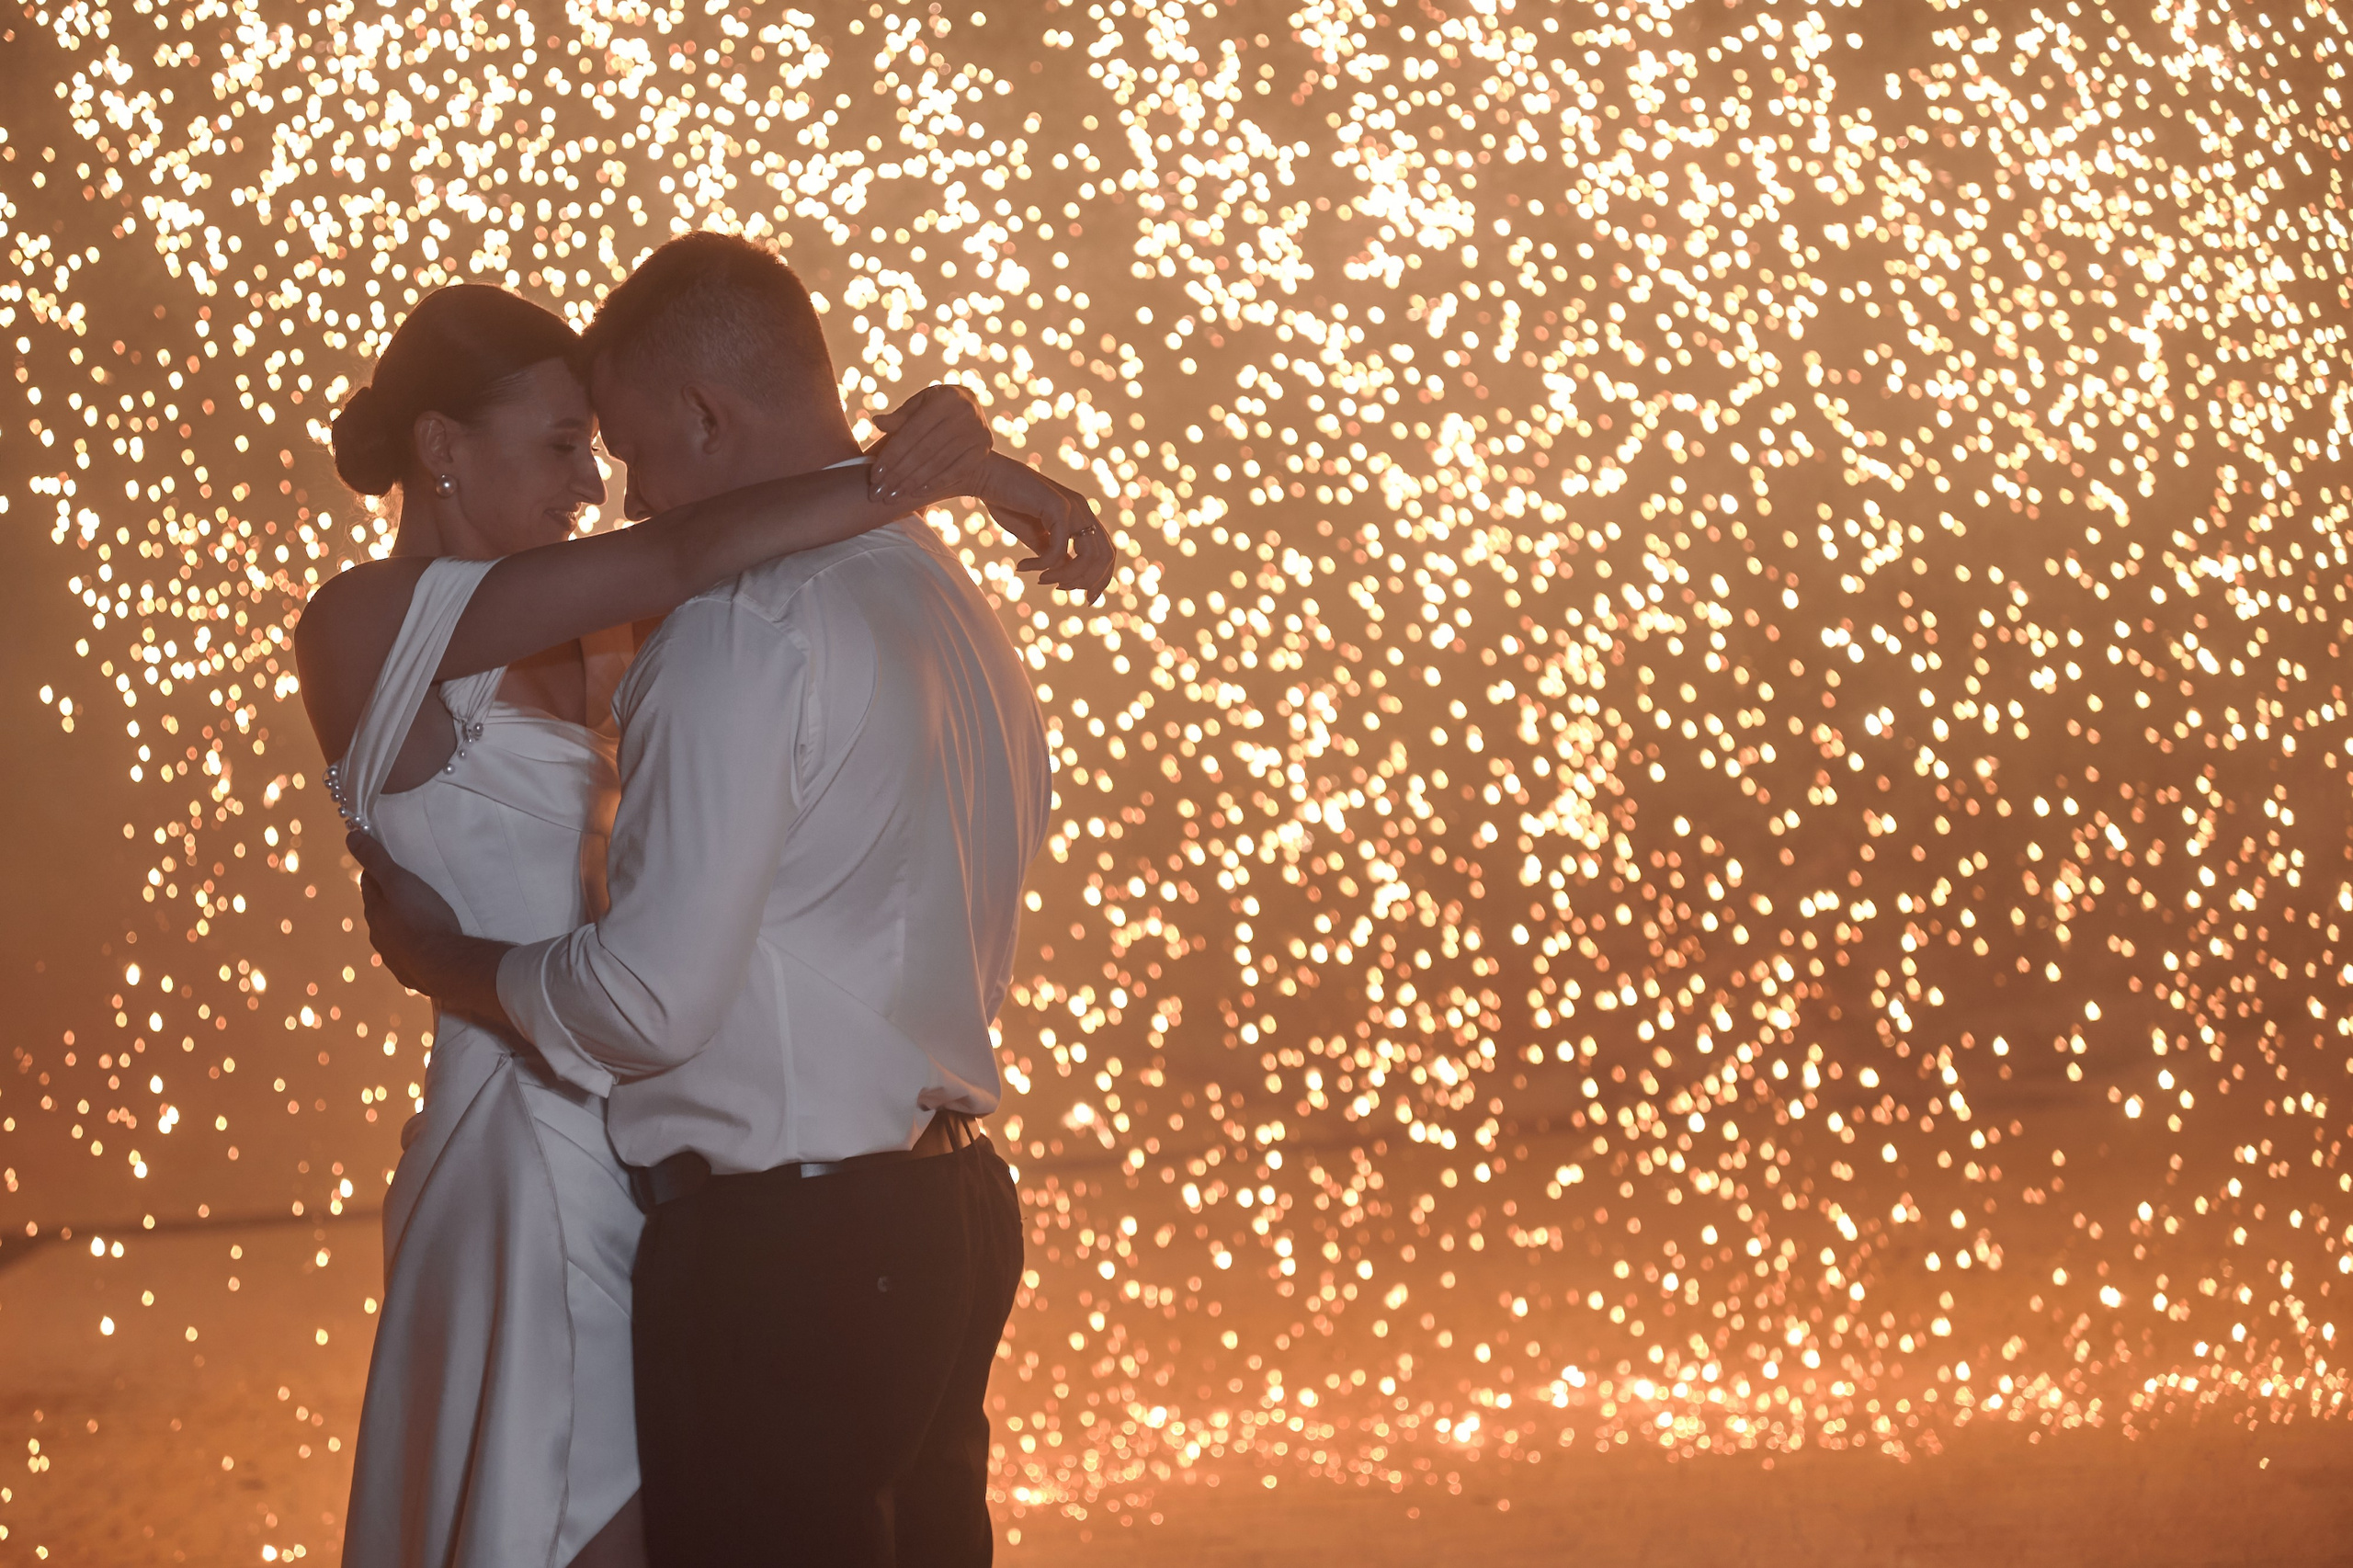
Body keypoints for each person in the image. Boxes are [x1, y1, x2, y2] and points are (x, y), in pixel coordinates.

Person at [304, 280, 1107, 1568]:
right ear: (441, 450)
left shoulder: (600, 619)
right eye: (564, 446)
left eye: (602, 446)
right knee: (572, 1519)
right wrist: (956, 476)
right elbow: (691, 550)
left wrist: (972, 467)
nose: (594, 486)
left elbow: (731, 546)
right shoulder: (365, 620)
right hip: (527, 1143)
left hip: (662, 1147)